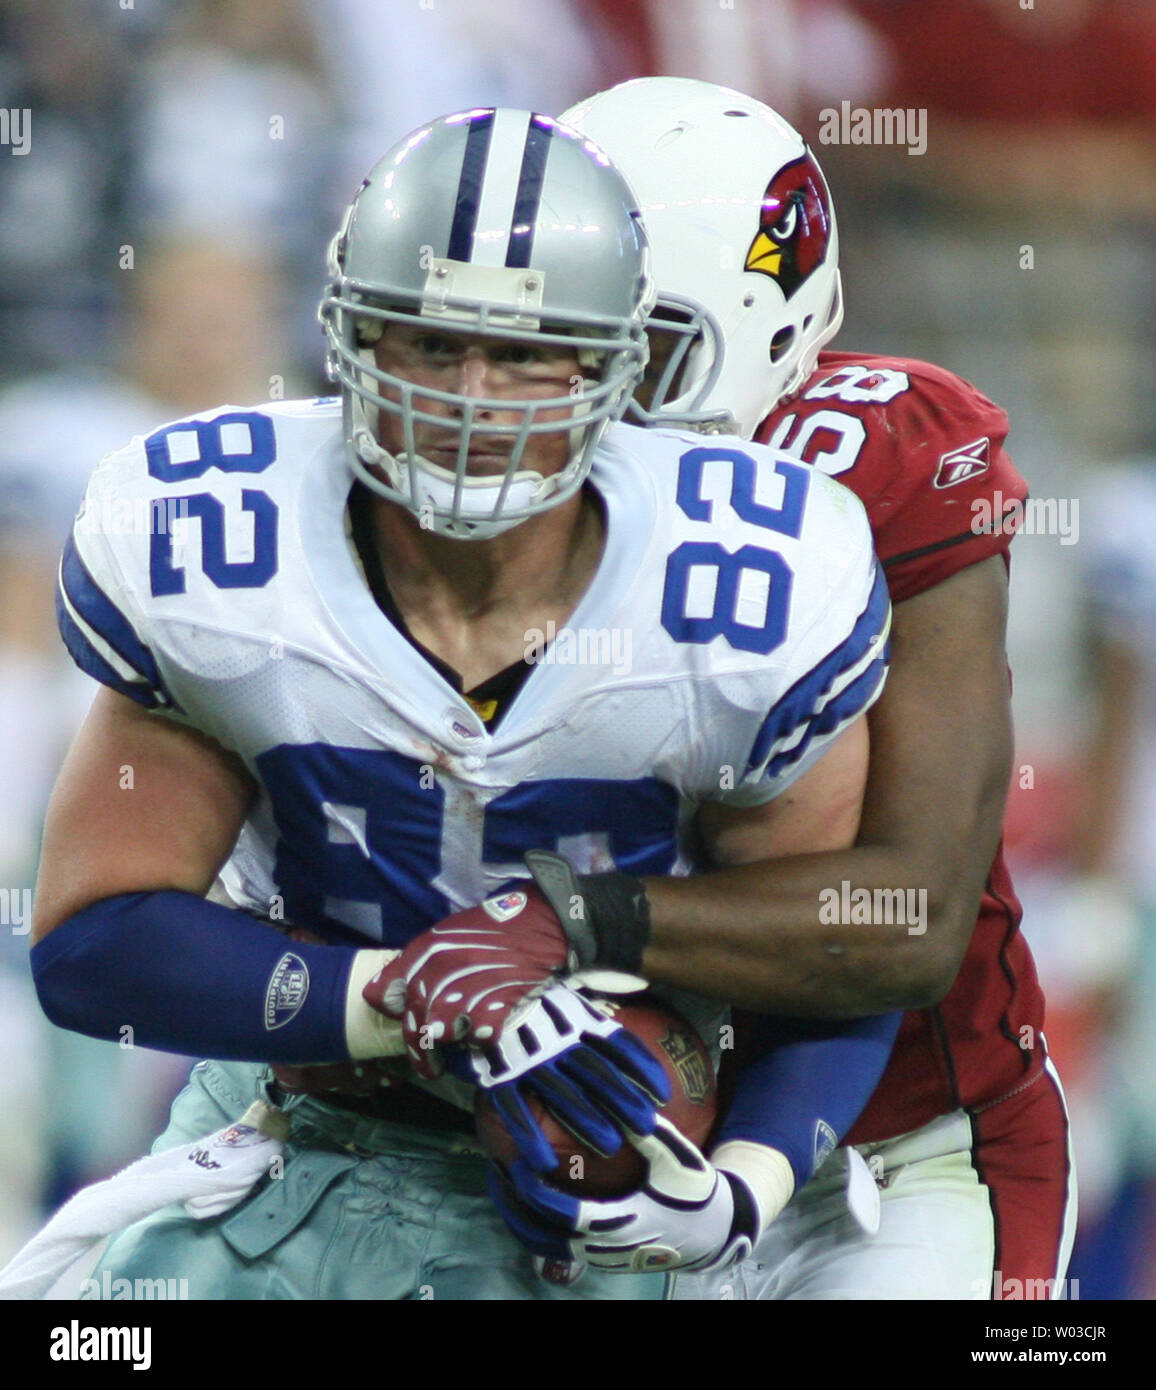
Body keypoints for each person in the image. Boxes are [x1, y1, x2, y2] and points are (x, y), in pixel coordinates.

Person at [30, 107, 890, 1300]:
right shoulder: (223, 546)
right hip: (295, 1140)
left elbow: (843, 945)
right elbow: (94, 940)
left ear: (613, 365)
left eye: (529, 351)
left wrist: (739, 1183)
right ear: (347, 336)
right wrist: (397, 999)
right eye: (426, 343)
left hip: (613, 1188)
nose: (471, 397)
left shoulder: (741, 586)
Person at [500, 76, 1075, 1300]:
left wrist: (576, 918)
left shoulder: (887, 460)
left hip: (902, 1154)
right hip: (603, 1129)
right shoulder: (487, 471)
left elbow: (908, 917)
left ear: (754, 321)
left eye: (624, 344)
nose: (565, 386)